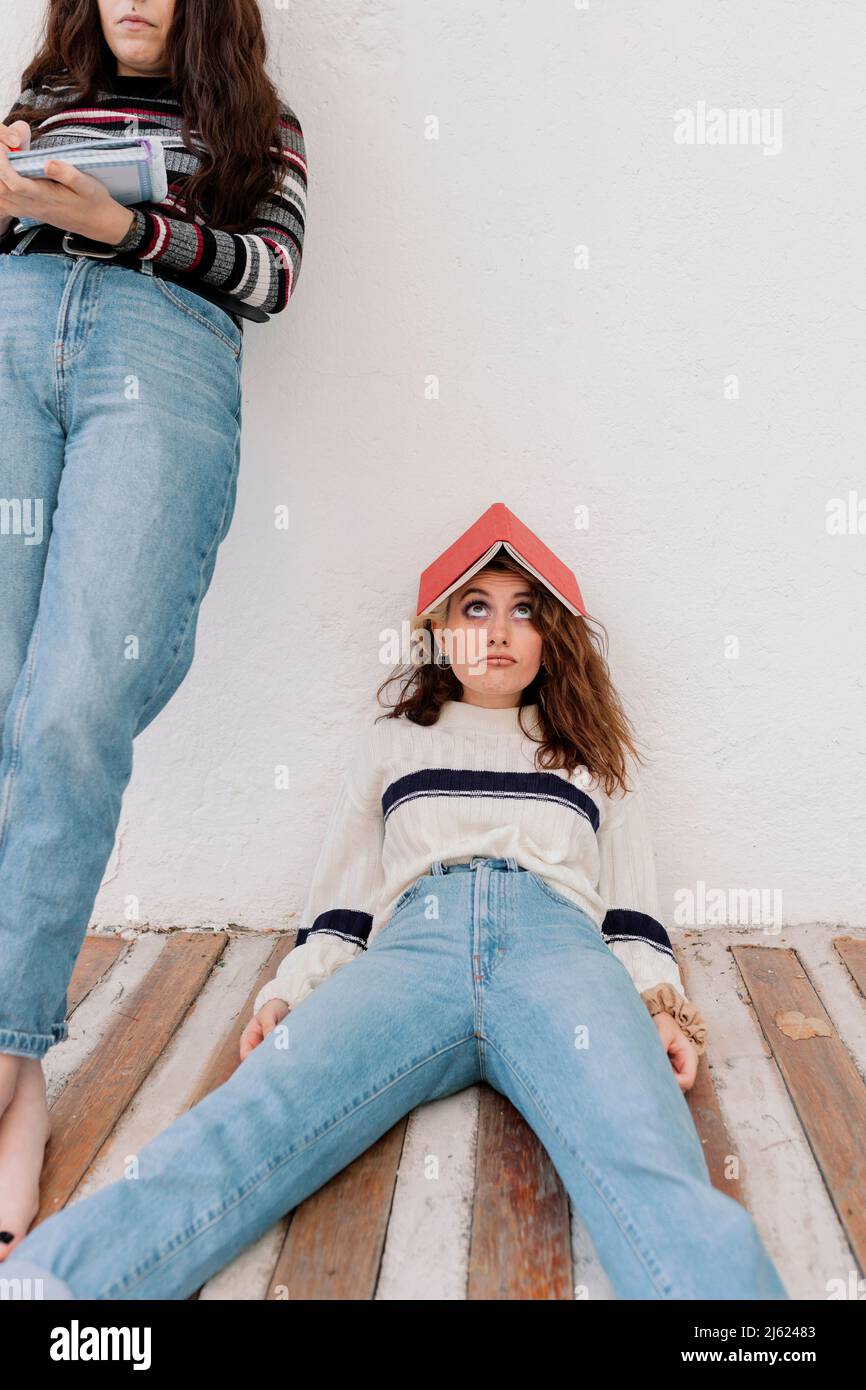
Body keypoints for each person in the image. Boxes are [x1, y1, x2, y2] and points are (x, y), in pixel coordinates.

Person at [2, 548, 789, 1299]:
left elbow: (630, 907)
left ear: (552, 636)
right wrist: (297, 987)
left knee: (642, 1137)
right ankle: (61, 1284)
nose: (498, 631)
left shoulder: (587, 756)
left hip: (561, 951)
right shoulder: (392, 744)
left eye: (525, 611)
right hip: (414, 947)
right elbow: (343, 891)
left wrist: (658, 1002)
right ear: (440, 629)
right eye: (475, 607)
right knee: (264, 1103)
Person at [0, 0, 307, 1260]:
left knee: (73, 705)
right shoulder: (37, 97)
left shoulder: (256, 126)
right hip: (11, 336)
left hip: (160, 355)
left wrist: (123, 227)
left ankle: (7, 1063)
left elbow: (274, 275)